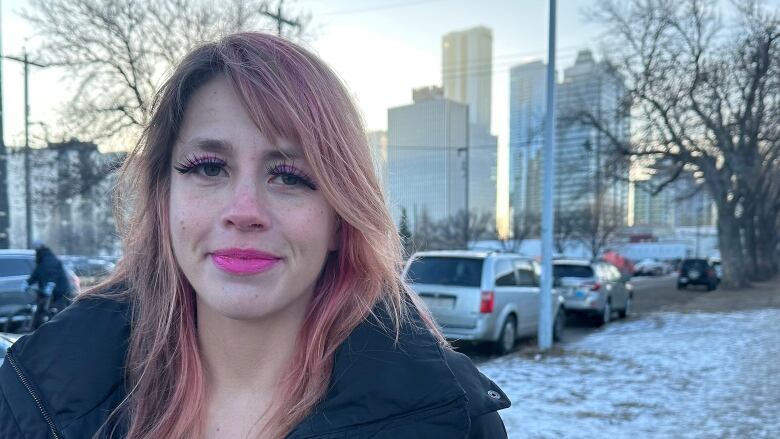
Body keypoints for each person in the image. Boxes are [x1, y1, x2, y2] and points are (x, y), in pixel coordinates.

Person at [0, 33, 510, 438]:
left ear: (340, 216)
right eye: (208, 167)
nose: (244, 212)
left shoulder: (452, 420)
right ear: (164, 199)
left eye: (291, 176)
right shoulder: (34, 399)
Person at [26, 240, 74, 328]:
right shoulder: (41, 259)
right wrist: (28, 282)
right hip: (48, 289)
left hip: (59, 290)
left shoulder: (49, 259)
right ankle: (36, 329)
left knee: (59, 311)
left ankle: (61, 328)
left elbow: (53, 273)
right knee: (41, 309)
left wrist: (50, 284)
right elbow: (37, 273)